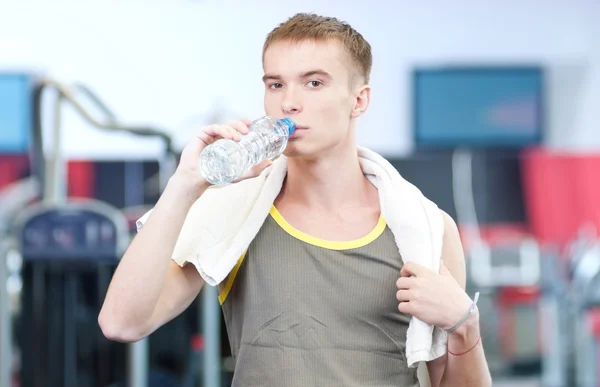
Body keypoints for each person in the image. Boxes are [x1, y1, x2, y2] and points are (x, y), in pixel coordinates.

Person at [99, 12, 492, 387]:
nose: (289, 102)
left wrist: (464, 326)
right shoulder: (235, 214)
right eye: (275, 84)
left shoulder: (426, 230)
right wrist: (185, 184)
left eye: (314, 83)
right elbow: (121, 323)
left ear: (359, 100)